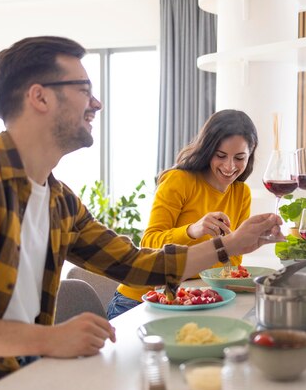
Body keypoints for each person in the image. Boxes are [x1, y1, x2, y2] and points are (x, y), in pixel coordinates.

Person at [0, 36, 283, 390]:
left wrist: (231, 245)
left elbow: (134, 264)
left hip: (26, 376)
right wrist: (48, 339)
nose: (97, 103)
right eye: (84, 89)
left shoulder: (61, 203)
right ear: (39, 97)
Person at [107, 109, 258, 318]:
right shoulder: (180, 180)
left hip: (191, 298)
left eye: (240, 157)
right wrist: (192, 231)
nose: (230, 166)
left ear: (249, 156)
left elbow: (231, 262)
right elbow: (148, 243)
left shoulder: (242, 193)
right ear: (208, 150)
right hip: (140, 301)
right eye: (221, 155)